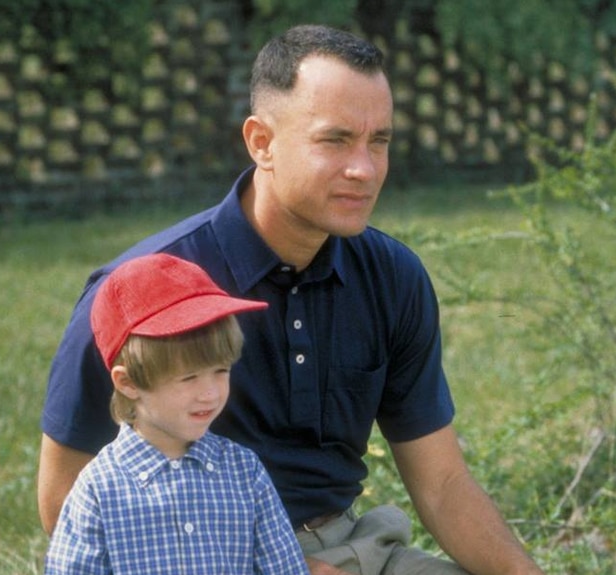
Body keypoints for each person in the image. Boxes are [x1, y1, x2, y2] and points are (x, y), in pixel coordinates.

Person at [39, 24, 545, 575]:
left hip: (356, 547)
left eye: (379, 141)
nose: (366, 168)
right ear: (262, 142)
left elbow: (443, 484)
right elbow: (63, 503)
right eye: (336, 140)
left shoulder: (393, 276)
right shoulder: (142, 290)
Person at [44, 253, 308, 574]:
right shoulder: (99, 489)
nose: (210, 392)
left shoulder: (244, 473)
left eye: (221, 370)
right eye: (188, 378)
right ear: (128, 382)